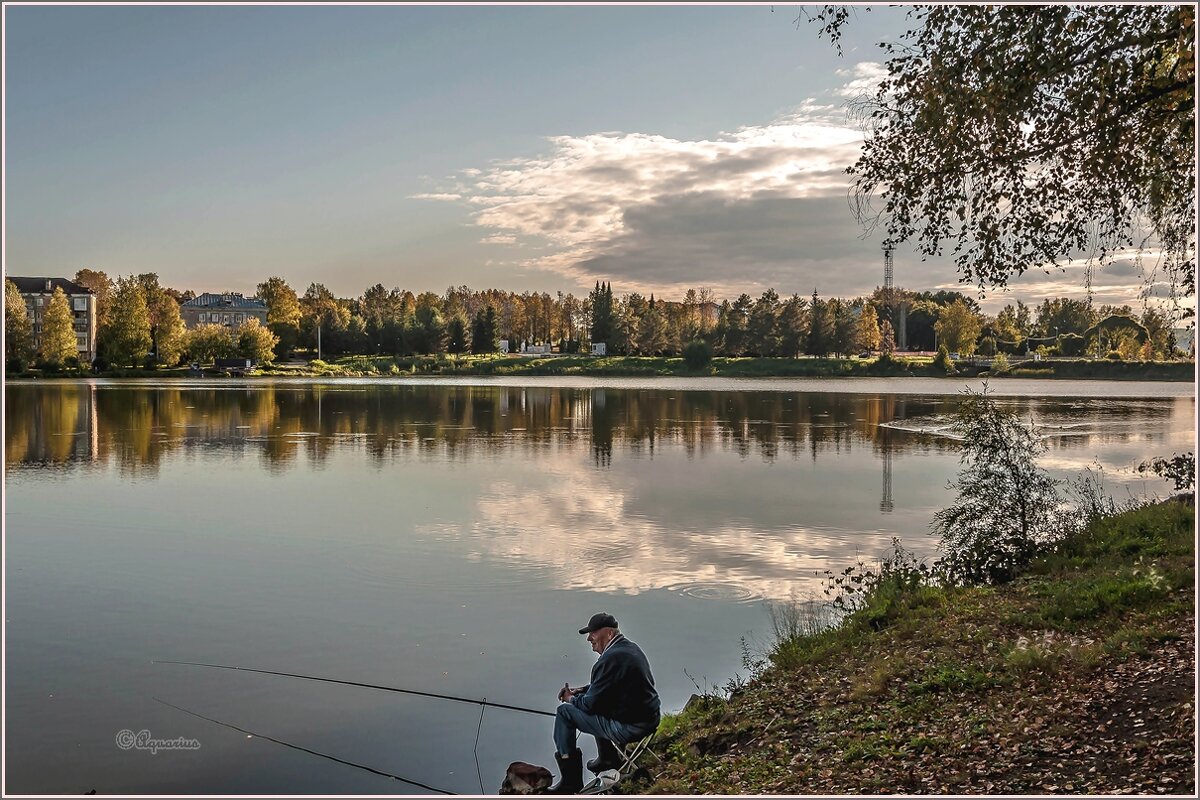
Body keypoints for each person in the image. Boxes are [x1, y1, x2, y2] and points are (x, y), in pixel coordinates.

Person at [548, 613, 660, 794]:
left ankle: (571, 781)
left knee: (564, 712)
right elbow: (610, 686)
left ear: (608, 633)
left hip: (630, 727)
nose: (589, 638)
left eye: (593, 633)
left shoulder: (608, 660)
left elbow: (590, 705)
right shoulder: (630, 649)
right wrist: (582, 690)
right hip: (650, 719)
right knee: (600, 704)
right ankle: (607, 759)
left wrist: (570, 699)